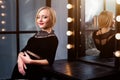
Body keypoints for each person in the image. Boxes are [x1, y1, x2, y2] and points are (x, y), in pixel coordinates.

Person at [11, 6, 58, 79]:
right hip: (19, 68)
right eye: (38, 17)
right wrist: (19, 60)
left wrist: (30, 61)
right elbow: (24, 50)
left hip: (32, 70)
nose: (40, 20)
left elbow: (49, 61)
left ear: (51, 19)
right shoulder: (36, 35)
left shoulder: (53, 39)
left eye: (44, 17)